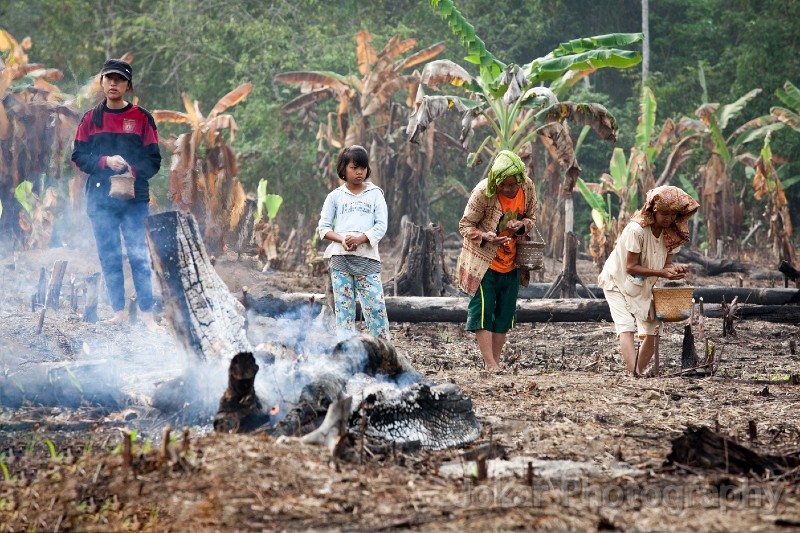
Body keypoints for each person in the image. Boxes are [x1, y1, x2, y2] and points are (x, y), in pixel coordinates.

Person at [71, 59, 163, 332]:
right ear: (101, 81)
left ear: (128, 85)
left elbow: (154, 160)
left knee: (138, 255)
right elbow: (78, 155)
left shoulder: (142, 118)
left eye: (120, 79)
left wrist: (132, 170)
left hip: (135, 200)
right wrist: (105, 162)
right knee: (109, 255)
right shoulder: (90, 118)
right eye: (109, 78)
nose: (113, 83)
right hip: (101, 202)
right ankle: (118, 312)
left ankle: (147, 314)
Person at [598, 185, 700, 374]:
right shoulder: (636, 230)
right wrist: (662, 273)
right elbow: (630, 267)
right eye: (664, 214)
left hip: (641, 285)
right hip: (617, 281)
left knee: (654, 328)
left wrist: (675, 270)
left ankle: (636, 372)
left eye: (672, 215)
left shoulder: (671, 233)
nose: (668, 219)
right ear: (654, 210)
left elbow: (667, 265)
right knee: (626, 326)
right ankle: (635, 373)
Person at [456, 150, 538, 371]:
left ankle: (495, 362)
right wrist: (484, 236)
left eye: (512, 185)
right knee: (482, 311)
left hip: (511, 261)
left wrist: (521, 226)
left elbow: (531, 217)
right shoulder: (483, 192)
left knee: (504, 313)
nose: (508, 190)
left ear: (520, 180)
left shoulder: (527, 187)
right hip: (485, 262)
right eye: (504, 185)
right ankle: (490, 363)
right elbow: (464, 225)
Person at [318, 145, 390, 342]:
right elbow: (323, 229)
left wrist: (361, 239)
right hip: (341, 260)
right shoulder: (335, 197)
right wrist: (342, 239)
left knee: (376, 309)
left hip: (367, 258)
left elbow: (381, 226)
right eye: (354, 167)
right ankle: (347, 356)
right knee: (344, 311)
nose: (360, 172)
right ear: (343, 169)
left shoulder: (375, 194)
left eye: (363, 167)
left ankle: (384, 353)